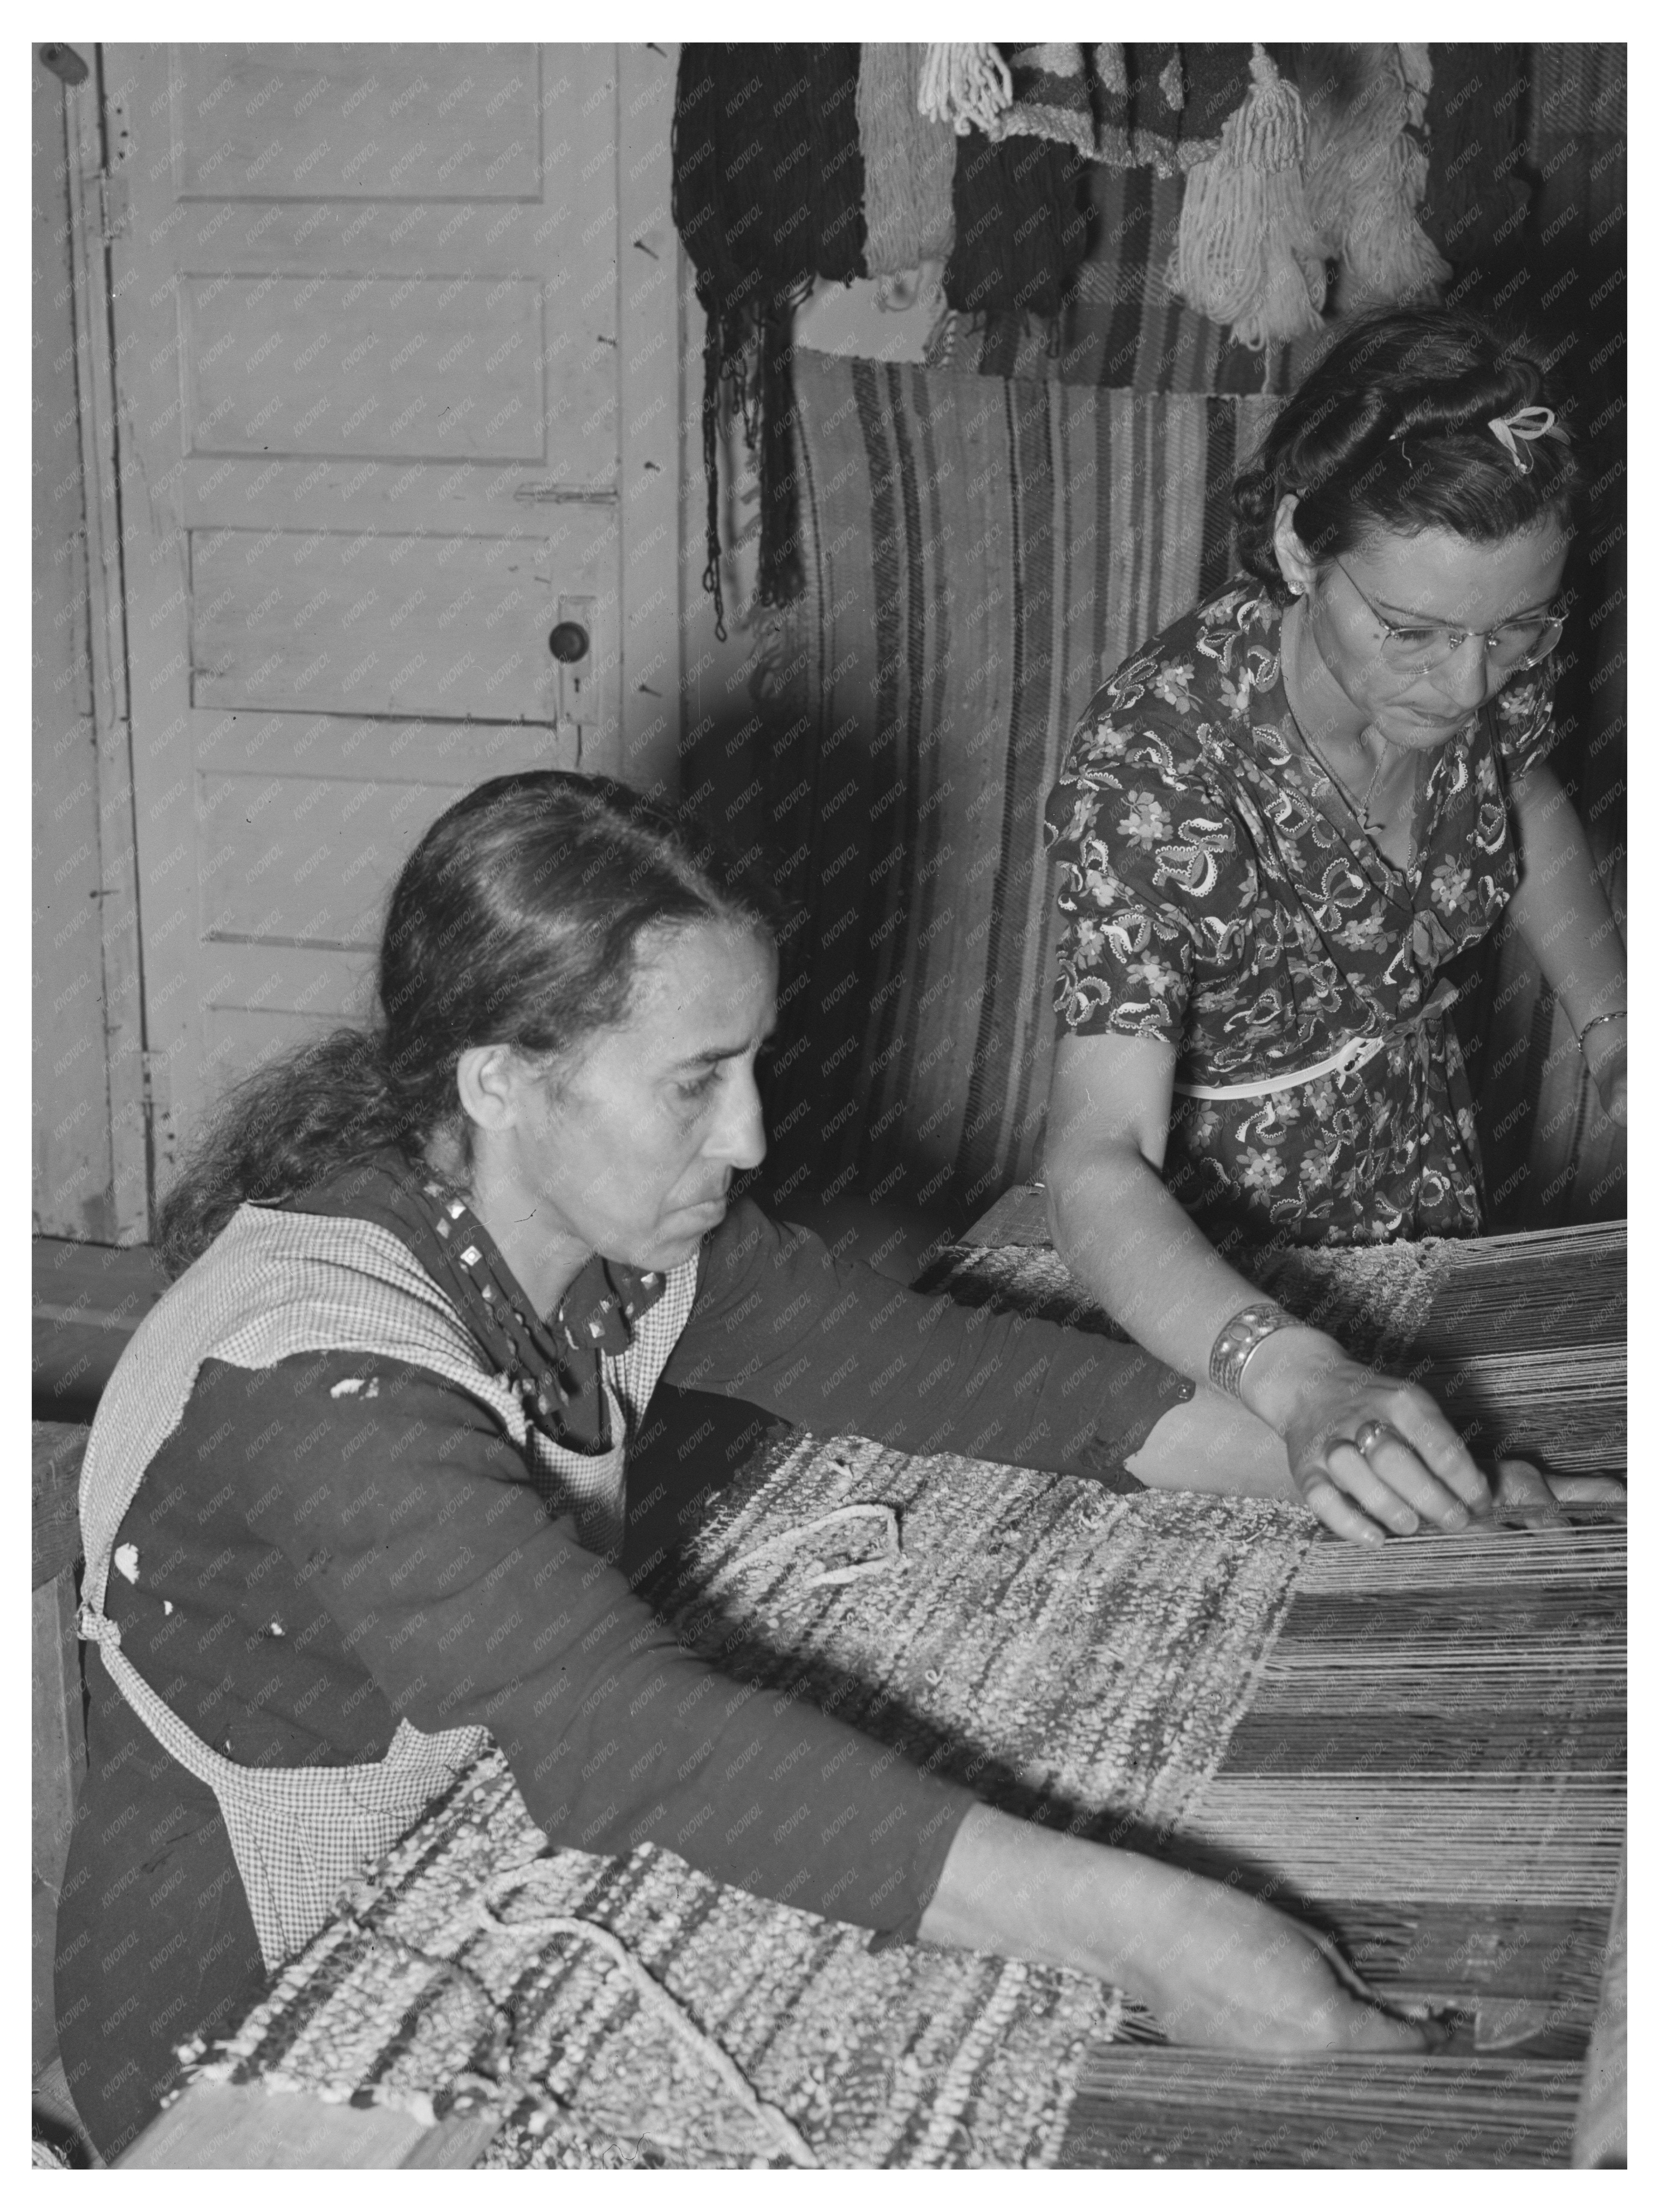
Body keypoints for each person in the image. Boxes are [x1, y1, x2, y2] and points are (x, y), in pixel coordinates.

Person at [59, 771, 1428, 2165]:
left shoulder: (605, 1237)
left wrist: (1345, 1457)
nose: (751, 1137)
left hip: (459, 1833)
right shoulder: (321, 1376)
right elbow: (624, 1735)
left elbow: (948, 1371)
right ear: (502, 1081)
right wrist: (1154, 1934)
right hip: (246, 1986)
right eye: (695, 1083)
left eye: (751, 1064)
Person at [1041, 307, 1627, 1550]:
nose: (1465, 683)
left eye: (1514, 631)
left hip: (1432, 1197)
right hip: (1220, 1287)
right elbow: (1093, 1157)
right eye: (1409, 633)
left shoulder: (1482, 641)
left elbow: (1521, 788)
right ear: (1297, 548)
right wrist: (1288, 1370)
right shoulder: (1154, 770)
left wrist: (1613, 1025)